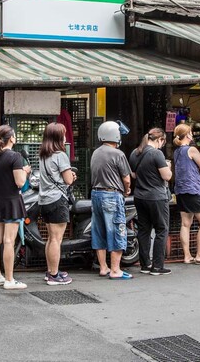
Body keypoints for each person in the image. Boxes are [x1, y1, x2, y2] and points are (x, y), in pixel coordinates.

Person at [0, 125, 30, 289]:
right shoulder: (15, 157)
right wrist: (25, 171)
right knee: (9, 241)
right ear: (11, 138)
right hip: (11, 201)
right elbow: (19, 182)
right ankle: (10, 280)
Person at [90, 120, 133, 280]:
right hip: (112, 195)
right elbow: (126, 178)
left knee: (99, 231)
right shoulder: (118, 154)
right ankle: (115, 270)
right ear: (115, 135)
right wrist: (127, 189)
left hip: (96, 195)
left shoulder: (96, 152)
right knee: (117, 230)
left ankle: (103, 267)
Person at [128, 128, 172, 276]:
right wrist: (169, 167)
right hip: (157, 197)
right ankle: (158, 266)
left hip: (140, 196)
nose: (162, 145)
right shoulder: (157, 153)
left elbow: (133, 174)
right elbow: (166, 176)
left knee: (144, 230)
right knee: (161, 229)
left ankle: (145, 264)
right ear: (159, 140)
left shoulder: (135, 153)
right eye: (163, 141)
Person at [38, 122, 77, 285]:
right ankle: (54, 275)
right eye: (63, 133)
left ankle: (50, 271)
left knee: (50, 238)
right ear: (58, 137)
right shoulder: (60, 155)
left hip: (44, 200)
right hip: (57, 199)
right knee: (56, 239)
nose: (65, 136)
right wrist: (72, 177)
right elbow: (68, 179)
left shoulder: (43, 155)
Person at [172, 124, 200, 265]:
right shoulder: (192, 149)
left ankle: (187, 255)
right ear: (189, 134)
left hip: (181, 190)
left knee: (185, 224)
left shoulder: (177, 151)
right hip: (194, 189)